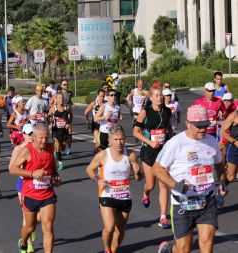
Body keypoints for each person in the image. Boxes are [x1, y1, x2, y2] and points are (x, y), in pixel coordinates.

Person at [155, 105, 226, 253]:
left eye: (205, 125)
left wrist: (221, 182)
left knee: (207, 243)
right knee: (183, 249)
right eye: (198, 126)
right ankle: (169, 250)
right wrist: (176, 185)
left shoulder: (211, 141)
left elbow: (219, 164)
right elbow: (157, 169)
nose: (203, 129)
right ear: (188, 124)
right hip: (182, 204)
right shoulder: (175, 143)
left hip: (207, 200)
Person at [86, 126, 141, 253]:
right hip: (107, 194)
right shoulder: (103, 155)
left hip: (124, 196)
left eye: (121, 139)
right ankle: (106, 249)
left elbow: (139, 178)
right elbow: (89, 169)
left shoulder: (131, 155)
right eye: (115, 139)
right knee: (109, 227)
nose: (119, 142)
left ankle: (114, 249)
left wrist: (137, 172)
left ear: (125, 140)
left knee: (120, 230)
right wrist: (97, 179)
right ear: (110, 141)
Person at [9, 123, 60, 253]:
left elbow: (52, 168)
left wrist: (56, 177)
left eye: (46, 138)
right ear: (34, 137)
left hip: (47, 194)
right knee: (30, 227)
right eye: (41, 138)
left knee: (48, 227)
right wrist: (32, 174)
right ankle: (24, 241)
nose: (44, 141)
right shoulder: (27, 151)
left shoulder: (50, 148)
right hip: (30, 195)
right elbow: (12, 169)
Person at [133, 87, 172, 229]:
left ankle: (163, 216)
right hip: (149, 151)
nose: (160, 97)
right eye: (156, 95)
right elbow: (135, 132)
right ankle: (146, 192)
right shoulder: (145, 112)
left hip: (163, 152)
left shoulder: (167, 111)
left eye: (161, 95)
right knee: (151, 184)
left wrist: (170, 140)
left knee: (164, 184)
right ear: (151, 98)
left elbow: (169, 129)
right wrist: (150, 142)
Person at [9, 123, 36, 253]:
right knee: (26, 217)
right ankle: (26, 243)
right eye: (30, 134)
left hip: (37, 185)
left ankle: (30, 229)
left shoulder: (38, 148)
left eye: (33, 134)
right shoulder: (18, 149)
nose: (32, 136)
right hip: (23, 185)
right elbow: (11, 168)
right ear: (24, 135)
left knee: (38, 218)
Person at [49, 93, 72, 170]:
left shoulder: (66, 108)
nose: (61, 100)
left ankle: (57, 153)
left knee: (62, 147)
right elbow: (48, 116)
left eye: (62, 98)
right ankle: (60, 162)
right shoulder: (53, 108)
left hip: (64, 131)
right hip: (56, 130)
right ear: (56, 99)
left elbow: (70, 116)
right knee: (57, 145)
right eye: (59, 98)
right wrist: (50, 120)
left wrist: (68, 124)